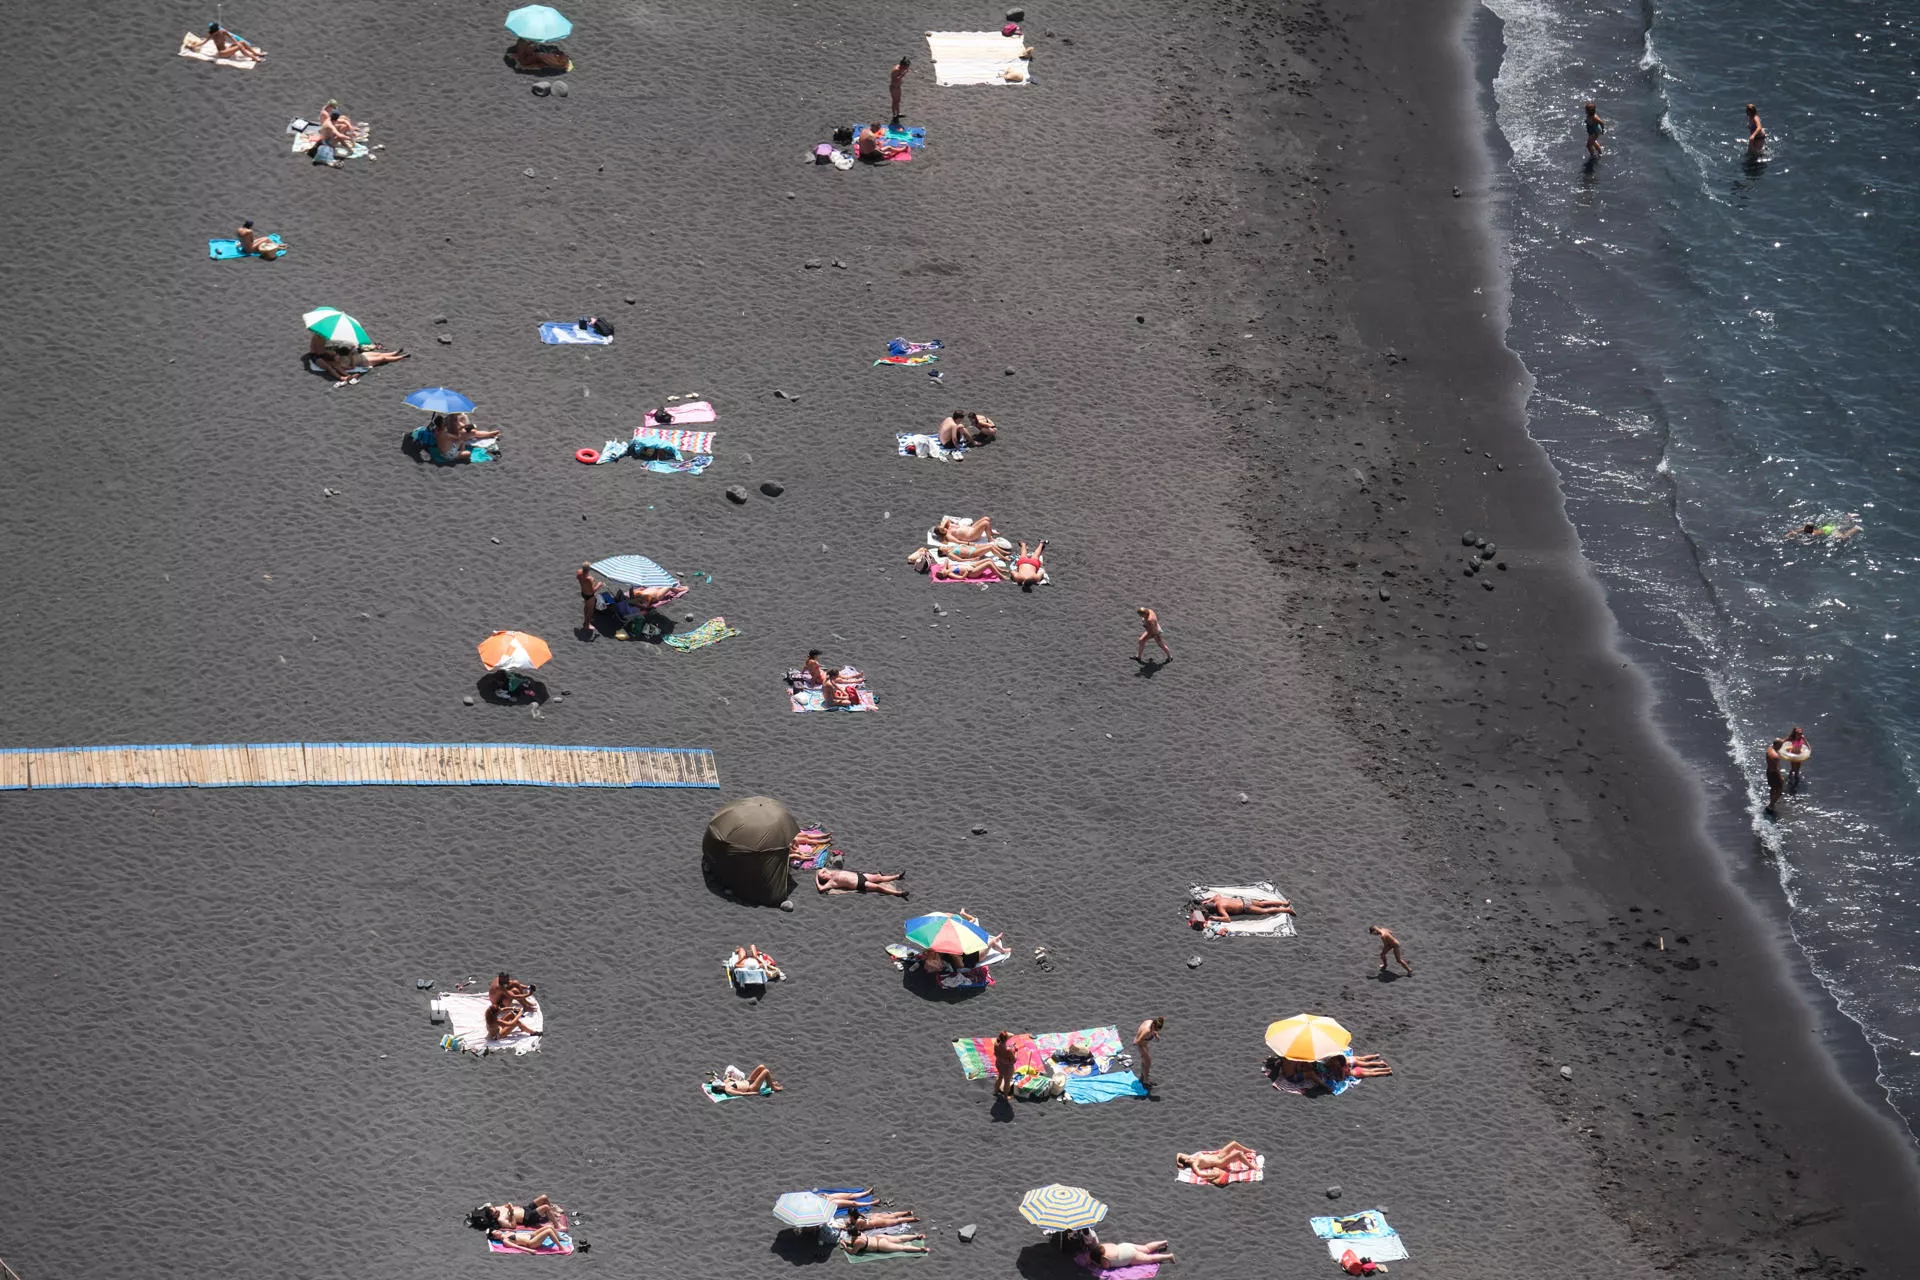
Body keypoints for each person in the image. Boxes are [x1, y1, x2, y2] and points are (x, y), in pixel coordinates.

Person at [1175, 1140, 1259, 1186]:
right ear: (1186, 1161)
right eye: (1186, 1157)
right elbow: (1200, 1174)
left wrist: (1179, 1162)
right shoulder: (1194, 1164)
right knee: (1238, 1154)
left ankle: (1249, 1151)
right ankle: (1251, 1167)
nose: (1188, 1155)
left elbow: (1178, 1154)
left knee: (1233, 1143)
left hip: (1219, 1155)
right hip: (1220, 1163)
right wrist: (1212, 1175)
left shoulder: (1193, 1157)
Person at [467, 1195, 562, 1231]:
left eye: (494, 1209)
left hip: (526, 1209)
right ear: (493, 1216)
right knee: (545, 1207)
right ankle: (557, 1225)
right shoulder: (500, 1220)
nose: (497, 1210)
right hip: (528, 1218)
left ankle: (553, 1212)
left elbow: (487, 1205)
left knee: (544, 1197)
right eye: (495, 1212)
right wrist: (511, 1212)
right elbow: (513, 1226)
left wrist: (508, 1206)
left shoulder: (496, 1208)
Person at [187, 22, 265, 60]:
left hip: (227, 49)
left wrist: (236, 41)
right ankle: (253, 58)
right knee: (239, 46)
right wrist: (193, 46)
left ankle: (256, 53)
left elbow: (231, 36)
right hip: (222, 53)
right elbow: (203, 42)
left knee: (242, 43)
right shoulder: (212, 36)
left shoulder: (222, 31)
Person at [1196, 892, 1293, 922]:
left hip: (1245, 907)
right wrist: (1207, 901)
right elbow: (1216, 895)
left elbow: (1227, 919)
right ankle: (1284, 902)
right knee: (1263, 903)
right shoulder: (1218, 899)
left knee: (1264, 911)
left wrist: (1213, 917)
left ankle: (1286, 909)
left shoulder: (1220, 908)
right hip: (1244, 900)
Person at [816, 866, 908, 897]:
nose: (824, 873)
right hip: (858, 884)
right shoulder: (831, 882)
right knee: (878, 887)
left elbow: (823, 868)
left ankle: (897, 876)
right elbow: (821, 889)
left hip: (860, 876)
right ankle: (898, 893)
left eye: (823, 873)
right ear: (824, 878)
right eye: (823, 875)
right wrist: (817, 878)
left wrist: (820, 873)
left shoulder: (831, 872)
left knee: (878, 877)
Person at [487, 1222, 568, 1252]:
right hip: (531, 1243)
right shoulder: (505, 1240)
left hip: (531, 1235)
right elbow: (517, 1247)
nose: (498, 1231)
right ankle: (561, 1248)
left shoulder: (506, 1232)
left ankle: (559, 1238)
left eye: (497, 1230)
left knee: (549, 1227)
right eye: (496, 1232)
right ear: (495, 1238)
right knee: (548, 1231)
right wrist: (530, 1250)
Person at [843, 1231, 928, 1256]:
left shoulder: (858, 1242)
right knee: (899, 1238)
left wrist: (845, 1246)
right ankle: (917, 1237)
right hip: (879, 1237)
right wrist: (845, 1242)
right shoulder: (859, 1233)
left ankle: (921, 1249)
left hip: (880, 1245)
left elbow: (853, 1252)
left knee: (902, 1248)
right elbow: (852, 1242)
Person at [1134, 1016, 1164, 1086]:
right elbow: (1137, 1041)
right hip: (1141, 1045)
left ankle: (1143, 1074)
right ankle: (1146, 1080)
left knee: (1144, 1060)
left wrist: (1155, 1035)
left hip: (1144, 1044)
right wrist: (1138, 1042)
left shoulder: (1151, 1023)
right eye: (1156, 1029)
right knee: (1148, 1062)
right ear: (1153, 1025)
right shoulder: (1146, 1031)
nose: (1156, 1031)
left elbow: (1153, 1030)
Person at [715, 1064, 782, 1095]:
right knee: (766, 1071)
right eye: (720, 1085)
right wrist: (756, 1093)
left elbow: (727, 1075)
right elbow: (742, 1093)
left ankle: (769, 1084)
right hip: (751, 1088)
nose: (722, 1083)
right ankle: (773, 1087)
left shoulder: (726, 1082)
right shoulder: (729, 1090)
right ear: (719, 1088)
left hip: (747, 1081)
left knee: (761, 1067)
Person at [846, 1205, 919, 1231]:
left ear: (851, 1215)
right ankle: (907, 1212)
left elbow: (855, 1230)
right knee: (892, 1215)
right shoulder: (857, 1216)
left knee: (896, 1221)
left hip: (877, 1222)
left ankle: (913, 1219)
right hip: (873, 1217)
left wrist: (845, 1226)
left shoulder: (858, 1221)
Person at [1782, 726, 1810, 791]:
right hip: (1793, 755)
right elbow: (1784, 741)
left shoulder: (1802, 738)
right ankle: (1790, 776)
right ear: (1795, 733)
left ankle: (1796, 780)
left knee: (1797, 769)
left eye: (1801, 733)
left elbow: (1806, 743)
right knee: (1793, 768)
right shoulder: (1792, 738)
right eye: (1798, 733)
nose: (1800, 734)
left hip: (1799, 755)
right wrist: (1778, 745)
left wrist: (1809, 750)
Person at [992, 1031, 1018, 1099]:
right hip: (1007, 1068)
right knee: (1007, 1081)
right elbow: (1014, 1060)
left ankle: (995, 1091)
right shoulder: (1008, 1050)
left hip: (999, 1064)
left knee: (1000, 1076)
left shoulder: (996, 1044)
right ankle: (1006, 1097)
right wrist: (1015, 1051)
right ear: (1006, 1039)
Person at [577, 564, 602, 634]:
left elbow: (581, 580)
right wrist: (599, 585)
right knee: (590, 611)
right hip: (590, 596)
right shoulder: (589, 579)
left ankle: (586, 621)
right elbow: (593, 590)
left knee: (586, 607)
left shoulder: (579, 573)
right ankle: (587, 625)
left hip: (584, 593)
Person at [1765, 737, 1785, 818]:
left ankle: (1771, 801)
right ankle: (1770, 805)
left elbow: (1779, 742)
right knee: (1779, 791)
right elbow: (1775, 769)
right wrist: (1781, 778)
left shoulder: (1769, 748)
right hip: (1774, 773)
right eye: (1781, 745)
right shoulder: (1775, 756)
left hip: (1768, 771)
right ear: (1777, 745)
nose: (1781, 747)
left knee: (1773, 788)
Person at [890, 56, 911, 121]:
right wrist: (904, 74)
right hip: (894, 88)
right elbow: (895, 79)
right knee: (895, 102)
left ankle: (898, 113)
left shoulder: (901, 68)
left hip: (897, 87)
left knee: (898, 101)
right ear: (903, 65)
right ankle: (894, 115)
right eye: (906, 66)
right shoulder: (896, 70)